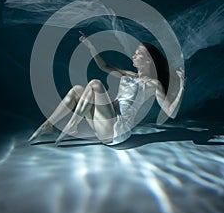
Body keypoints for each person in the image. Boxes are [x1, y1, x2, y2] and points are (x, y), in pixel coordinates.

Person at [29, 32, 185, 145]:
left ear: (149, 61)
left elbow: (171, 113)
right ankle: (48, 124)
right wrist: (91, 47)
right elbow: (104, 66)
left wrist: (182, 87)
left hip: (116, 131)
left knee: (95, 84)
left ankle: (72, 125)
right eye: (135, 52)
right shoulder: (129, 74)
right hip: (104, 123)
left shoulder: (153, 85)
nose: (134, 55)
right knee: (77, 89)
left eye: (138, 54)